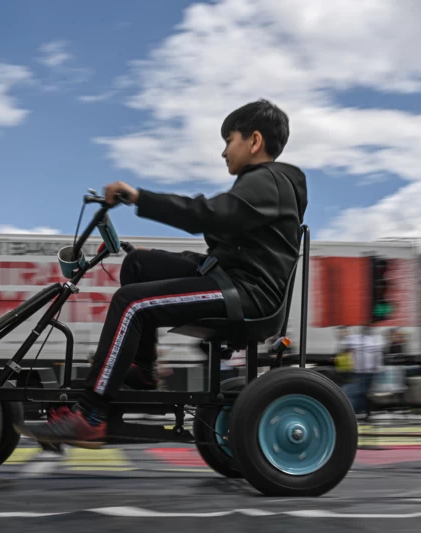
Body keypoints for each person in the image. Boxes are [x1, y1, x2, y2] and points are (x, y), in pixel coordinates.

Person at [18, 99, 308, 447]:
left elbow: (205, 213)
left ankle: (90, 415)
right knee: (138, 264)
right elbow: (228, 250)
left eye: (229, 140)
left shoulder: (266, 181)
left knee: (130, 304)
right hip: (234, 279)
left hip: (246, 295)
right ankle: (142, 369)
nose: (224, 151)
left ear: (255, 141)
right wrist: (156, 257)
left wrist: (140, 197)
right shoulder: (266, 185)